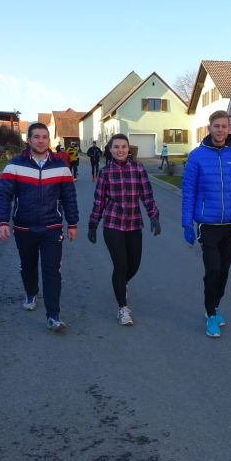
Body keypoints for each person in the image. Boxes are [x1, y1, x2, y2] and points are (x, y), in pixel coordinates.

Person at [0, 122, 79, 333]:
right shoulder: (15, 165)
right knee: (28, 266)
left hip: (52, 227)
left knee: (52, 270)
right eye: (36, 137)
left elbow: (69, 197)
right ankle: (31, 292)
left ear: (49, 140)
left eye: (44, 137)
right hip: (24, 228)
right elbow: (3, 195)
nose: (41, 141)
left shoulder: (61, 166)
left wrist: (72, 223)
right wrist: (2, 221)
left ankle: (53, 316)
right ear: (29, 140)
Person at [181, 110, 231, 338]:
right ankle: (211, 313)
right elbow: (188, 192)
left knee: (223, 271)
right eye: (217, 126)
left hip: (229, 225)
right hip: (207, 225)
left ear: (229, 129)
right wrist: (187, 223)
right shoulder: (197, 156)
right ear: (210, 128)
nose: (220, 130)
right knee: (213, 270)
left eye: (224, 126)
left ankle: (215, 305)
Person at [87, 133, 161, 326]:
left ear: (128, 149)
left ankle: (121, 283)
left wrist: (154, 216)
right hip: (113, 224)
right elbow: (99, 201)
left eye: (123, 146)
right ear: (110, 149)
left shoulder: (138, 168)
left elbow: (147, 194)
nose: (120, 150)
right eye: (116, 147)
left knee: (133, 265)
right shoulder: (105, 172)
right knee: (120, 266)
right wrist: (93, 224)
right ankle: (123, 308)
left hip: (134, 224)